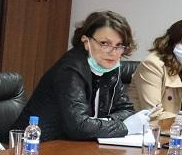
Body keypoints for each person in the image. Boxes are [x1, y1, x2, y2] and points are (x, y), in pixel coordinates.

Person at [12, 10, 150, 141]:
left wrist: (103, 123)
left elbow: (127, 110)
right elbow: (78, 126)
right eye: (104, 43)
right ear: (86, 42)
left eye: (119, 45)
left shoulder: (110, 67)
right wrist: (124, 127)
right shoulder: (70, 69)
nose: (113, 52)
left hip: (76, 144)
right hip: (37, 145)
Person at [129, 18, 182, 120]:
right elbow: (153, 115)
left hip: (179, 128)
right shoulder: (152, 65)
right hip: (149, 128)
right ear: (171, 42)